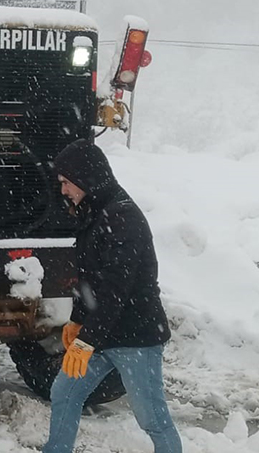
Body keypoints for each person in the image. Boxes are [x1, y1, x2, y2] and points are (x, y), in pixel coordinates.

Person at [45, 138, 182, 453]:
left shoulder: (122, 217)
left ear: (85, 176)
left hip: (136, 337)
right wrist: (77, 321)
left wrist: (86, 340)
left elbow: (115, 291)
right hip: (102, 334)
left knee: (152, 418)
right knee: (65, 391)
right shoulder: (93, 212)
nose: (63, 190)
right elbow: (88, 277)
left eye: (66, 182)